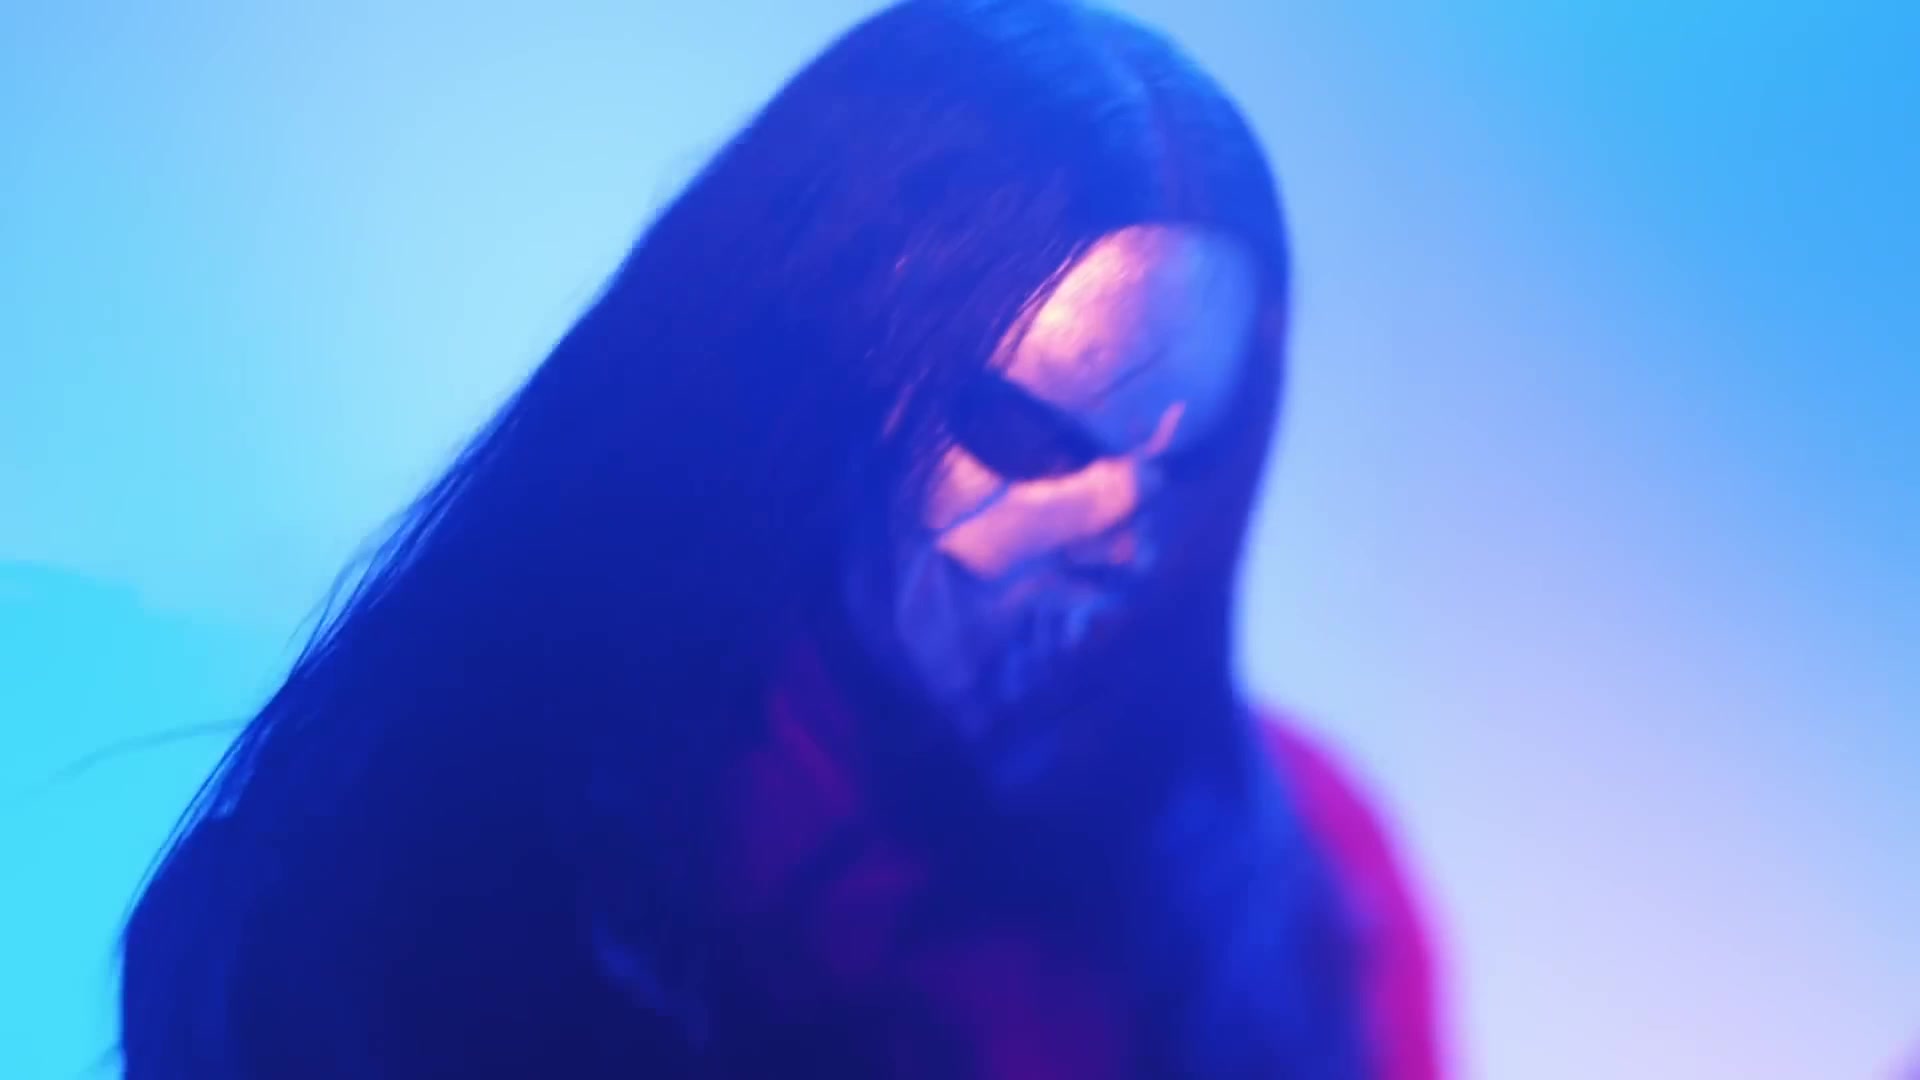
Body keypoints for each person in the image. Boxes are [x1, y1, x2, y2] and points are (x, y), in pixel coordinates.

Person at [118, 1, 1442, 1076]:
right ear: (818, 385)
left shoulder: (1307, 873)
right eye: (1033, 436)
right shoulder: (390, 874)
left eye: (1188, 459)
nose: (1124, 529)